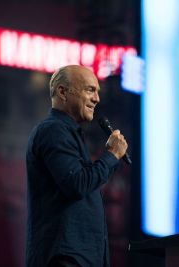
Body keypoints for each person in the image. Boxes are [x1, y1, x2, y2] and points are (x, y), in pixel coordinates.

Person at [26, 65, 128, 267]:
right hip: (65, 259)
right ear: (62, 92)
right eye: (90, 90)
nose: (97, 98)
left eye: (97, 91)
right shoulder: (53, 130)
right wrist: (112, 155)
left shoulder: (68, 133)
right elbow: (77, 183)